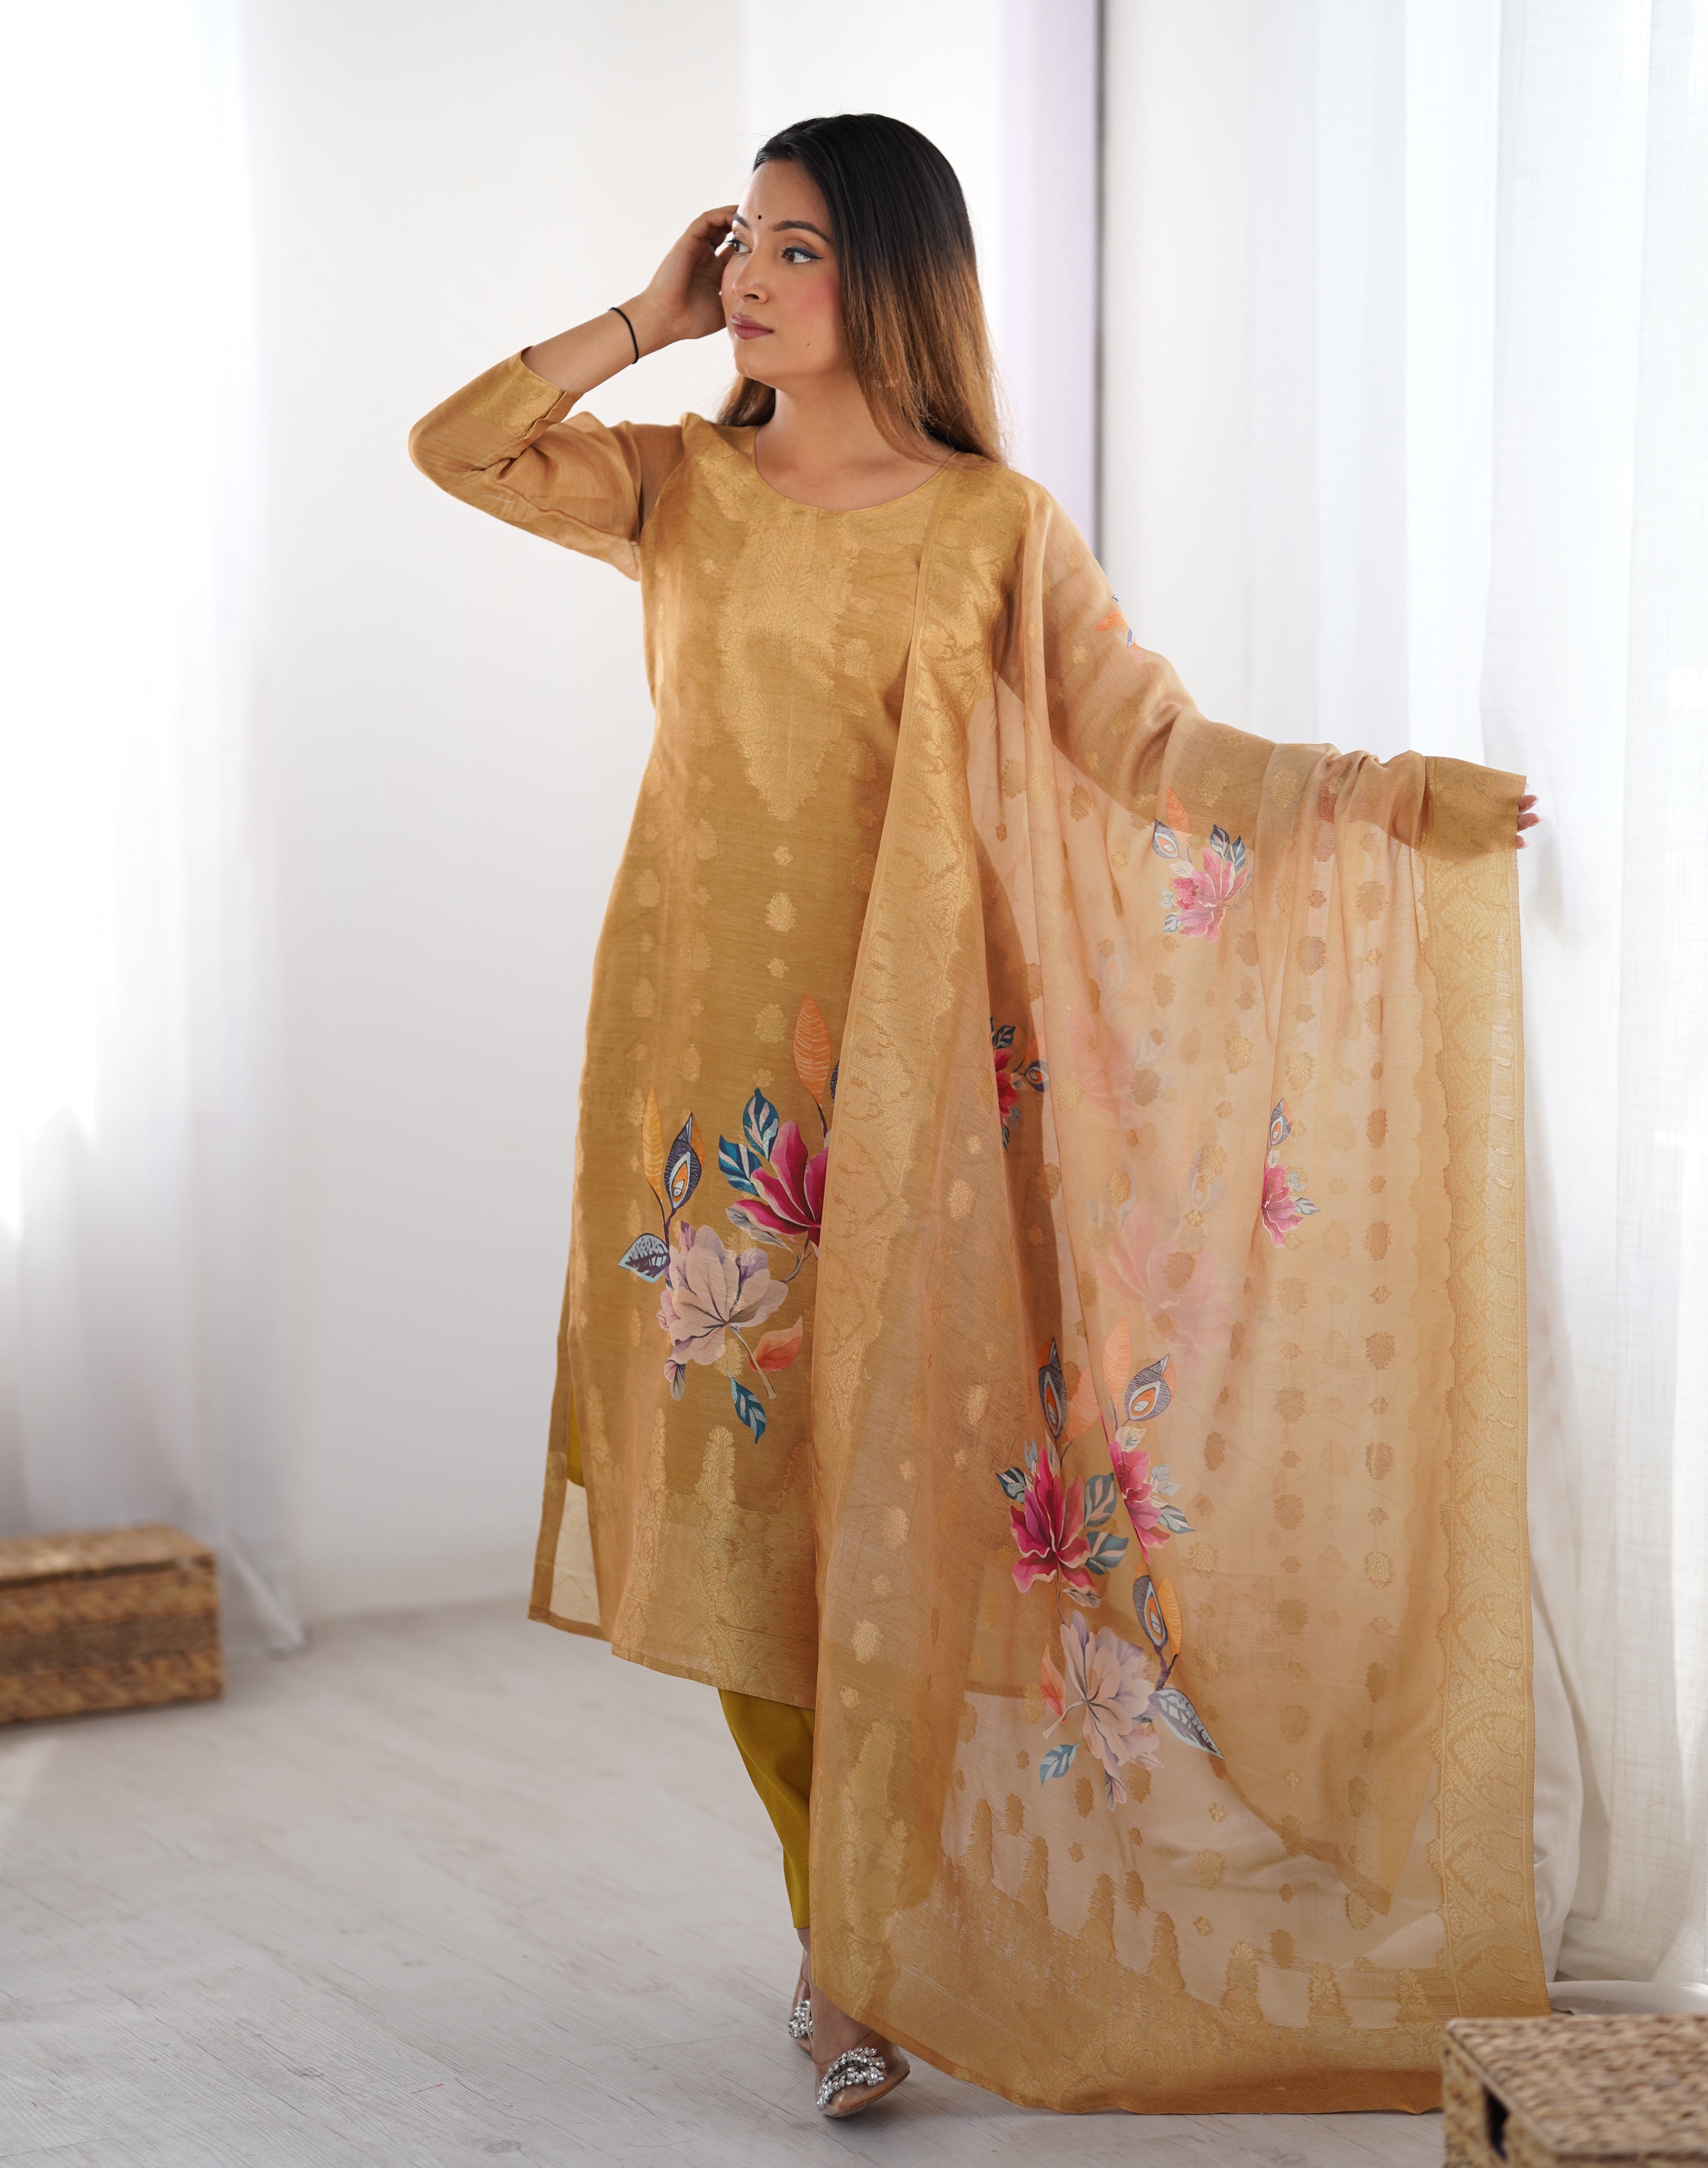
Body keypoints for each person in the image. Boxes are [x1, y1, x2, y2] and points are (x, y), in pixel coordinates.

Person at [410, 112, 1543, 2123]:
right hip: (705, 1083)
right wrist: (644, 323)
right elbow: (459, 447)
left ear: (897, 277)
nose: (753, 277)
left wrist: (1377, 797)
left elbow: (1152, 746)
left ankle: (898, 1932)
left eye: (800, 248)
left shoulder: (991, 529)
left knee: (906, 1514)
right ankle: (839, 1953)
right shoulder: (682, 487)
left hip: (922, 1079)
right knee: (749, 1523)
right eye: (742, 243)